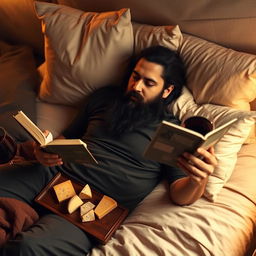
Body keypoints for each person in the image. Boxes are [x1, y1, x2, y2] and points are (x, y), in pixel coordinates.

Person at [0, 45, 217, 255]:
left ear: (166, 90)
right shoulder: (105, 97)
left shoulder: (171, 131)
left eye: (149, 83)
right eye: (135, 76)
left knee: (28, 248)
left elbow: (180, 194)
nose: (136, 86)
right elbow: (68, 136)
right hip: (52, 174)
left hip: (97, 206)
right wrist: (45, 149)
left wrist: (199, 179)